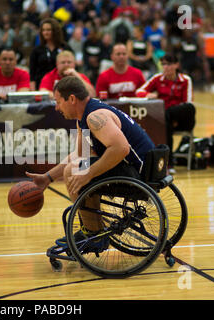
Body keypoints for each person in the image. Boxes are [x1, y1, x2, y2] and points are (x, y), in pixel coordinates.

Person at [26, 76, 155, 249]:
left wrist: (88, 173)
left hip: (139, 173)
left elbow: (120, 148)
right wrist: (48, 178)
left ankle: (94, 234)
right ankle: (93, 230)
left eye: (58, 102)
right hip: (135, 167)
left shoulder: (95, 117)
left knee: (74, 171)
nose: (57, 108)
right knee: (76, 167)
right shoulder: (84, 117)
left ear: (71, 99)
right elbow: (81, 155)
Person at [136, 53, 195, 174]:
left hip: (182, 119)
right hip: (165, 122)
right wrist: (149, 95)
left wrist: (174, 118)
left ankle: (169, 161)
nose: (166, 67)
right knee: (165, 122)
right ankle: (169, 162)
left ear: (176, 65)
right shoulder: (157, 78)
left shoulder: (185, 80)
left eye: (169, 64)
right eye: (163, 64)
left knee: (189, 107)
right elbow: (139, 91)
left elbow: (188, 102)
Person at [29, 17, 72, 90]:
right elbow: (32, 73)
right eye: (43, 30)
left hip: (62, 85)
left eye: (48, 30)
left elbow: (72, 67)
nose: (45, 32)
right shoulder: (37, 50)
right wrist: (33, 91)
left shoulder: (65, 47)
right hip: (41, 86)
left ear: (55, 31)